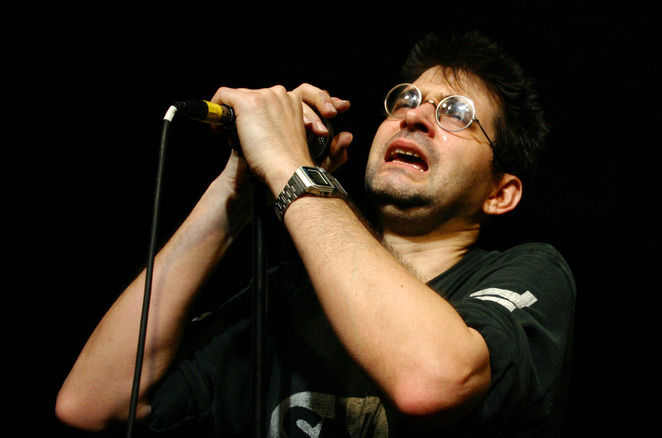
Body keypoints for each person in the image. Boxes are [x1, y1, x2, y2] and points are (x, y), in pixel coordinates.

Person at [56, 31, 575, 437]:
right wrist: (237, 189)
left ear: (500, 193)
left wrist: (287, 165)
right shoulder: (288, 295)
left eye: (456, 113)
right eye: (407, 98)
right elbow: (91, 404)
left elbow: (431, 380)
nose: (414, 115)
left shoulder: (532, 271)